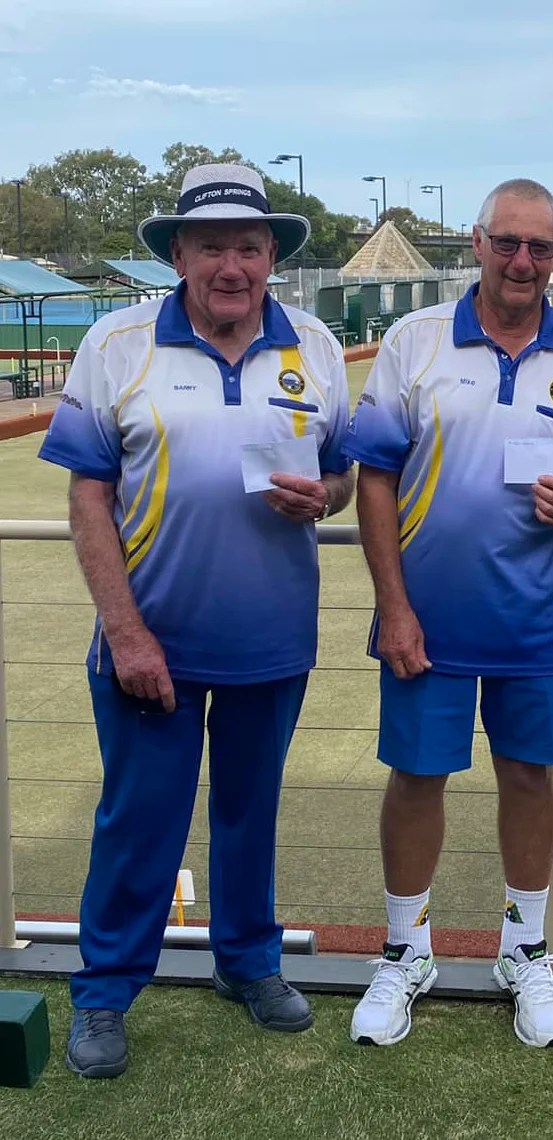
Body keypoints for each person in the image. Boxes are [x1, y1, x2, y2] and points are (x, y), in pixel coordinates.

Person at [37, 163, 354, 1079]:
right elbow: (87, 499)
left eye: (247, 247)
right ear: (177, 253)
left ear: (271, 257)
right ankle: (103, 992)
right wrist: (127, 632)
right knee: (139, 820)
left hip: (271, 638)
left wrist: (322, 496)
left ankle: (248, 963)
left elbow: (340, 476)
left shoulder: (319, 347)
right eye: (210, 245)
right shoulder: (117, 340)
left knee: (250, 814)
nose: (231, 264)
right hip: (151, 643)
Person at [343, 178, 553, 1049]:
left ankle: (524, 951)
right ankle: (404, 951)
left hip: (540, 617)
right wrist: (393, 605)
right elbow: (375, 476)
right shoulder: (413, 341)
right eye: (507, 243)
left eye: (539, 247)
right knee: (416, 778)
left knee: (530, 778)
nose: (522, 261)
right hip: (427, 615)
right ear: (477, 242)